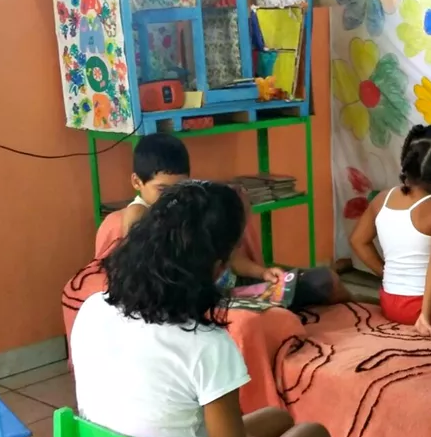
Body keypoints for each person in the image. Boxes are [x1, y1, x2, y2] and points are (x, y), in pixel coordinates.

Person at [70, 180, 334, 437]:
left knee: (276, 418)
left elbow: (149, 408)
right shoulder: (205, 345)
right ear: (215, 268)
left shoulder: (93, 309)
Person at [118, 133, 350, 310]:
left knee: (322, 279)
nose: (172, 196)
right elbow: (142, 269)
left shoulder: (188, 207)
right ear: (137, 182)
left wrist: (263, 273)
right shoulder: (138, 215)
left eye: (179, 187)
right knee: (305, 294)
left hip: (228, 289)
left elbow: (229, 254)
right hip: (200, 302)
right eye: (162, 189)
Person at [349, 124, 431, 337]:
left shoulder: (382, 198)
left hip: (390, 303)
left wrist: (386, 273)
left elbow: (358, 240)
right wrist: (425, 317)